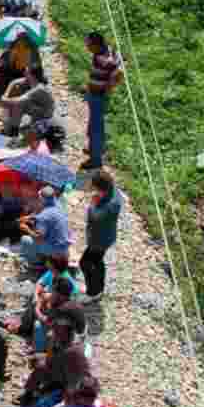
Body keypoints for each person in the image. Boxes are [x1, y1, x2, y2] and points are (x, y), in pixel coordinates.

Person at [82, 31, 123, 170]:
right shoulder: (107, 50)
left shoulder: (105, 60)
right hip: (94, 93)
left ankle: (95, 160)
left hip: (98, 96)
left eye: (88, 45)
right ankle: (94, 148)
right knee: (93, 123)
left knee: (96, 128)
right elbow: (120, 58)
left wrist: (109, 87)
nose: (86, 47)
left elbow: (120, 72)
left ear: (96, 45)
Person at [80, 169, 122, 301]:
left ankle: (92, 293)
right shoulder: (113, 192)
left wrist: (92, 205)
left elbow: (95, 216)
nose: (93, 189)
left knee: (85, 263)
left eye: (94, 187)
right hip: (107, 236)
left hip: (100, 239)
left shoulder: (109, 206)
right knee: (98, 262)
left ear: (101, 187)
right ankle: (99, 289)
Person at [17, 187, 70, 269]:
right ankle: (46, 257)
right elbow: (50, 218)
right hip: (65, 248)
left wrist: (26, 229)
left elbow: (39, 238)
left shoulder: (44, 216)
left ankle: (37, 263)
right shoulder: (59, 206)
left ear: (42, 199)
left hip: (55, 250)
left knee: (25, 240)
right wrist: (31, 217)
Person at [1, 65, 54, 133]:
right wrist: (6, 94)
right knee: (16, 93)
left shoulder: (39, 88)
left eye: (26, 72)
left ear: (32, 75)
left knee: (19, 103)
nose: (24, 74)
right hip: (37, 107)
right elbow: (14, 82)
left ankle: (13, 130)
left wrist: (5, 100)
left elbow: (19, 100)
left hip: (46, 114)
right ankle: (11, 125)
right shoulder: (30, 81)